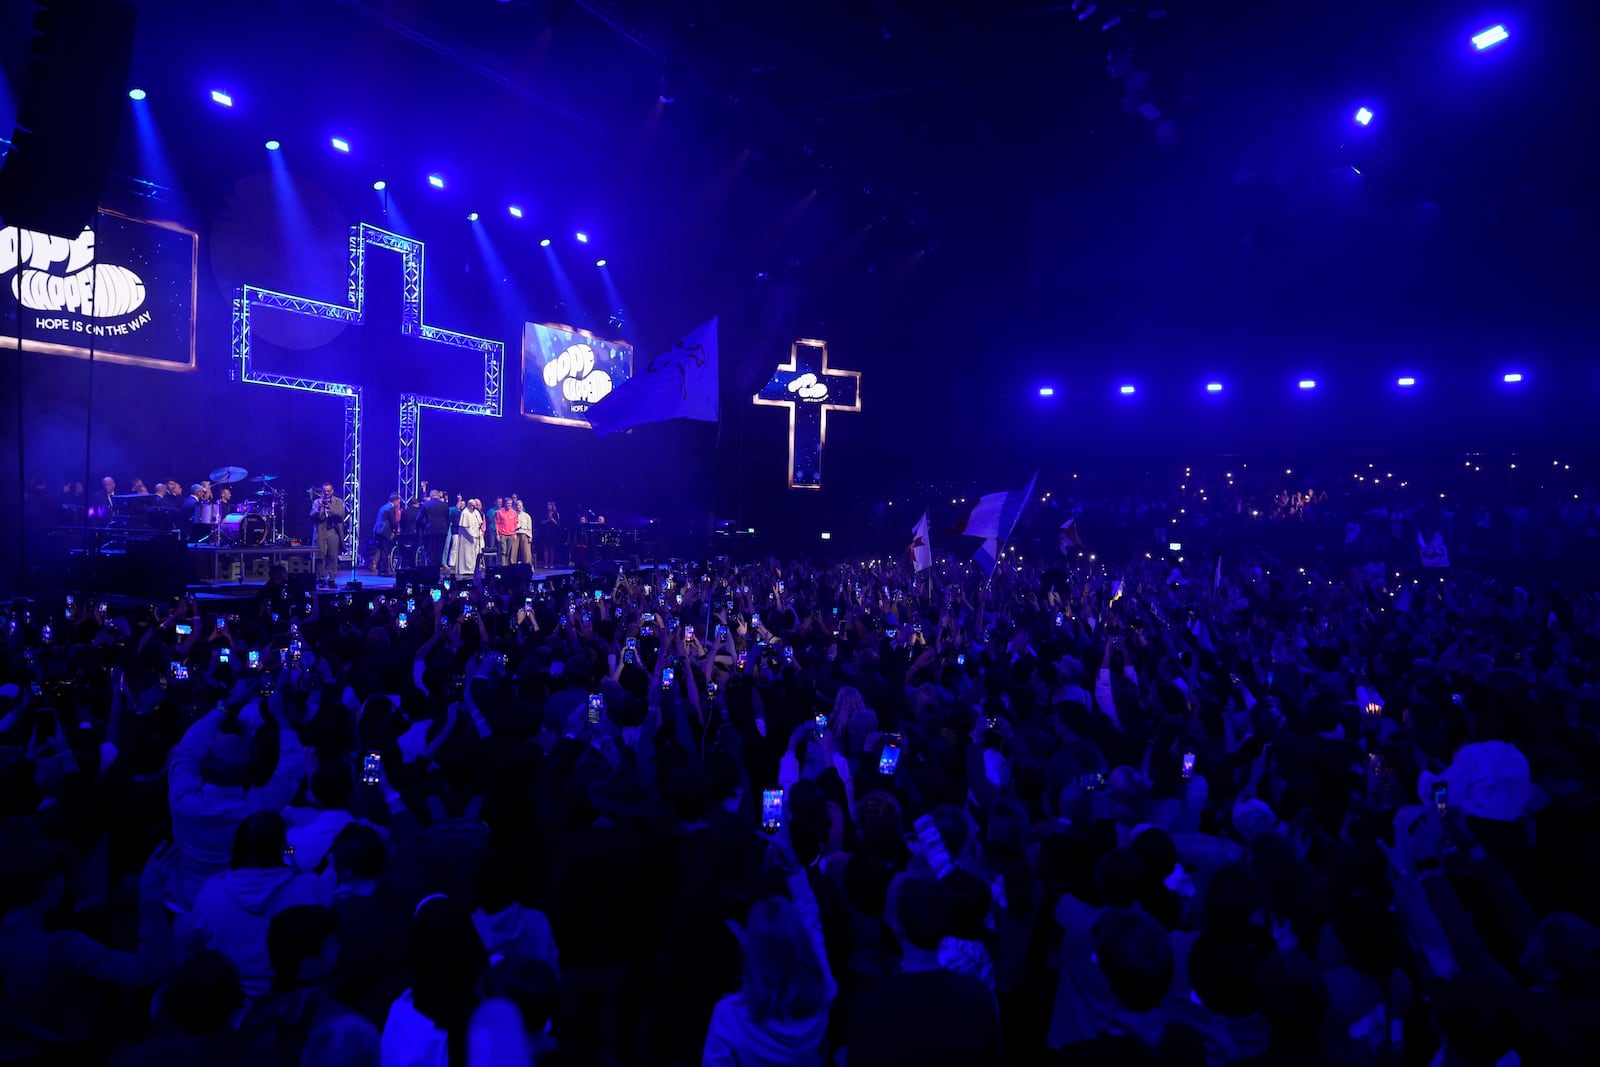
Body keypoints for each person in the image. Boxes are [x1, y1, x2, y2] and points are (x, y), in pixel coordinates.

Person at [701, 826, 836, 1067]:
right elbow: (811, 922)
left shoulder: (730, 1016)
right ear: (800, 942)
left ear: (751, 950)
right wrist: (793, 866)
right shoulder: (824, 991)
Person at [178, 812, 332, 998]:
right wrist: (289, 852)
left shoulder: (210, 892)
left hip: (225, 997)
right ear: (280, 848)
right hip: (295, 995)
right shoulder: (311, 886)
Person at [311, 482, 347, 588]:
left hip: (333, 530)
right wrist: (319, 508)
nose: (326, 493)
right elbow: (312, 515)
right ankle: (321, 578)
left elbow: (341, 513)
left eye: (328, 491)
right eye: (324, 491)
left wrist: (330, 506)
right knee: (320, 555)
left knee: (333, 555)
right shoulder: (317, 502)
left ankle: (331, 579)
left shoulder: (338, 501)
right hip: (321, 530)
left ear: (332, 491)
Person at [452, 498, 485, 580]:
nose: (473, 507)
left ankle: (474, 568)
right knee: (467, 554)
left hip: (475, 536)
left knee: (475, 553)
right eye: (472, 506)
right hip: (466, 537)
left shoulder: (476, 513)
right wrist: (473, 534)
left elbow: (479, 524)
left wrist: (479, 533)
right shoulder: (465, 513)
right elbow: (465, 527)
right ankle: (466, 569)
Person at [372, 492, 403, 576]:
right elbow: (393, 522)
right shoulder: (391, 508)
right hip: (384, 531)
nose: (399, 502)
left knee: (381, 550)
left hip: (378, 530)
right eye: (399, 500)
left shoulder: (384, 506)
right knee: (385, 551)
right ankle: (385, 571)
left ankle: (380, 570)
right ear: (395, 500)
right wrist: (396, 530)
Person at [496, 499, 519, 567]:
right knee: (503, 552)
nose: (509, 505)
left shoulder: (514, 513)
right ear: (505, 504)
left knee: (508, 552)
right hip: (502, 535)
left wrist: (515, 533)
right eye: (508, 503)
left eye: (510, 503)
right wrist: (497, 534)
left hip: (511, 535)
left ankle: (507, 566)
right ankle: (504, 567)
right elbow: (497, 524)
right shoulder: (500, 512)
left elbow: (515, 524)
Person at [539, 501, 562, 569]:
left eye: (550, 505)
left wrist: (552, 519)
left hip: (553, 532)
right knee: (545, 548)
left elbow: (558, 524)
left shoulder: (556, 513)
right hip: (546, 532)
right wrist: (548, 520)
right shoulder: (544, 513)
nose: (549, 506)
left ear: (552, 506)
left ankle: (551, 564)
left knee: (552, 549)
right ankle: (546, 563)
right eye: (548, 505)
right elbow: (541, 522)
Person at [513, 498, 534, 567]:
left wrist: (530, 536)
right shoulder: (513, 514)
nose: (519, 507)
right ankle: (512, 566)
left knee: (526, 552)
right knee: (513, 551)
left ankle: (527, 566)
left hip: (525, 534)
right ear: (515, 506)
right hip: (515, 533)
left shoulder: (526, 515)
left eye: (520, 505)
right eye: (518, 505)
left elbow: (529, 526)